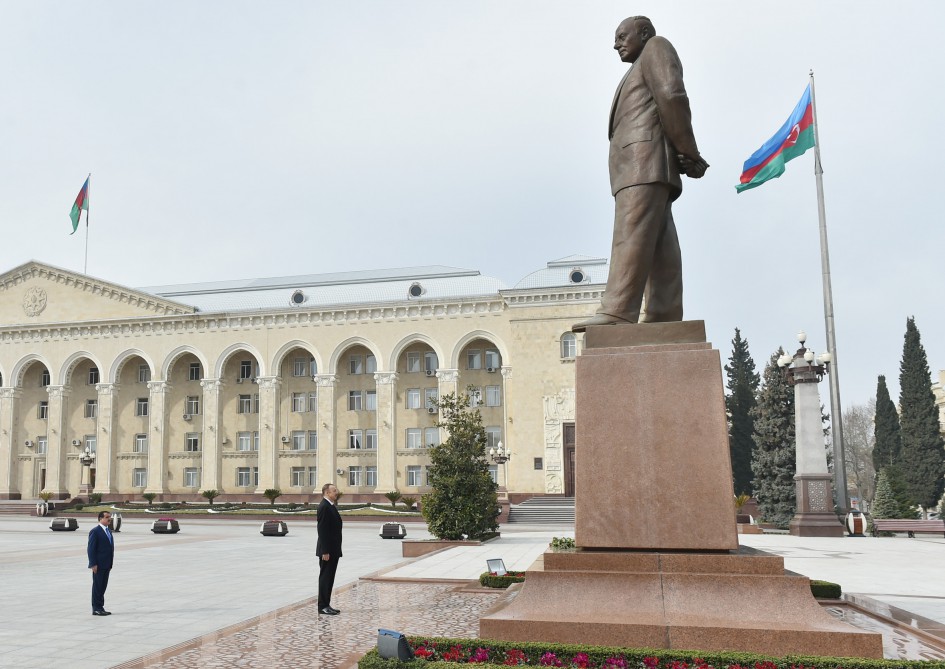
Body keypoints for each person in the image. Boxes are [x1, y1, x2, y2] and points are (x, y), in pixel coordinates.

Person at [573, 16, 708, 332]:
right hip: (643, 166)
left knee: (630, 234)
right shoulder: (639, 65)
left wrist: (689, 153)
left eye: (622, 36)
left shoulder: (656, 48)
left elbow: (672, 96)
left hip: (643, 163)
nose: (616, 43)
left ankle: (618, 310)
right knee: (661, 244)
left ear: (645, 34)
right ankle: (664, 313)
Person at [316, 482, 343, 615]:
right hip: (327, 551)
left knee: (329, 577)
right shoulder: (324, 507)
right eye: (334, 491)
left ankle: (326, 604)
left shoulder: (330, 505)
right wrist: (325, 551)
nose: (336, 492)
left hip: (333, 549)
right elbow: (322, 531)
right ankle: (322, 606)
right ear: (327, 493)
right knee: (325, 578)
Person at [87, 510, 115, 616]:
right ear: (100, 519)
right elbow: (91, 549)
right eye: (107, 517)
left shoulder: (108, 531)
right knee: (97, 587)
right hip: (98, 565)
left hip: (107, 564)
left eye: (110, 517)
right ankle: (96, 608)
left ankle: (101, 607)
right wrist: (93, 564)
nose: (109, 519)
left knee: (103, 586)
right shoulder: (95, 531)